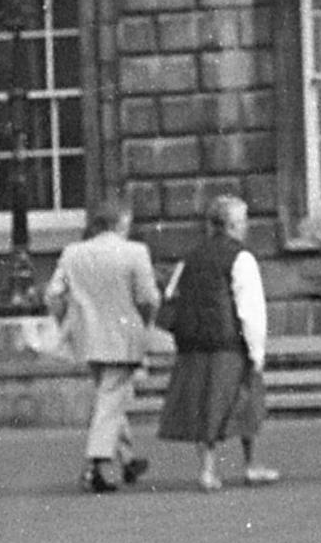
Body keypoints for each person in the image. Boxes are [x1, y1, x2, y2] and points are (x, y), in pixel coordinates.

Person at [155, 194, 277, 492]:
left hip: (193, 344)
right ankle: (250, 466)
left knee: (204, 406)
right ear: (234, 225)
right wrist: (257, 350)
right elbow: (251, 309)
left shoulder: (190, 257)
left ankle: (208, 470)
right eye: (244, 221)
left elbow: (171, 298)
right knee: (246, 403)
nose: (246, 226)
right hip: (229, 342)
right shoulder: (241, 257)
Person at [45, 200, 161, 493]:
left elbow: (54, 294)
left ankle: (128, 458)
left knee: (109, 397)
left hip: (88, 337)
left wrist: (67, 324)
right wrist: (144, 324)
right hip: (123, 336)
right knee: (111, 398)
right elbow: (149, 298)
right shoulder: (135, 252)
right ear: (121, 222)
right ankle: (95, 464)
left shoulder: (73, 253)